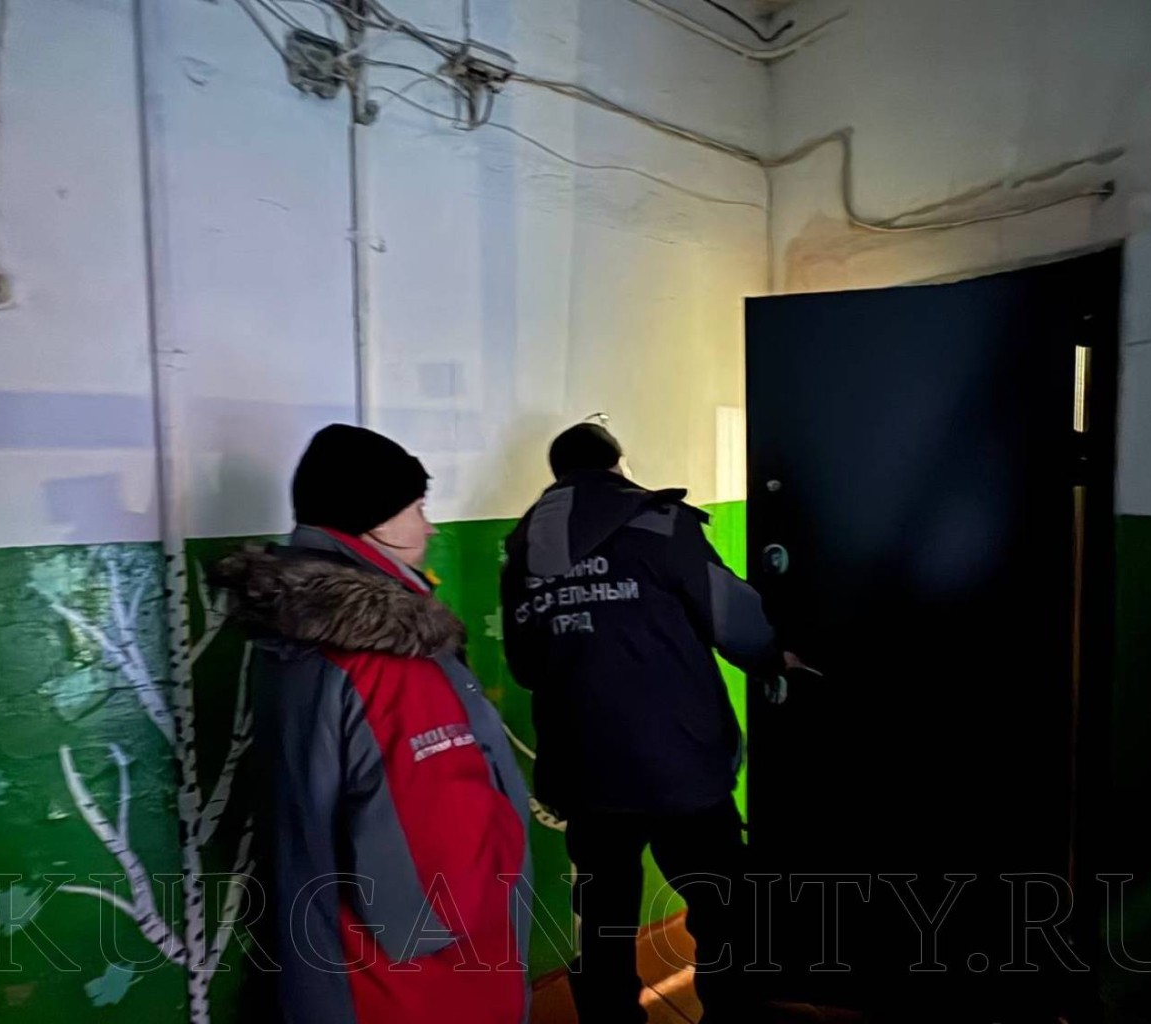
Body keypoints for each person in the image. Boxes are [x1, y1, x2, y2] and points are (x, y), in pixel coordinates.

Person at [217, 424, 531, 1024]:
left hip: (324, 961)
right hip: (415, 991)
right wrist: (505, 838)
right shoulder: (393, 666)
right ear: (375, 522)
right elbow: (437, 891)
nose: (429, 527)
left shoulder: (291, 632)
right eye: (418, 507)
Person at [501, 422, 791, 1024]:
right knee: (722, 903)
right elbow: (730, 617)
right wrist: (770, 658)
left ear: (558, 476)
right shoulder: (659, 522)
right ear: (617, 464)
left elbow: (526, 666)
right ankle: (735, 1015)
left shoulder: (524, 546)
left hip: (584, 769)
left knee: (604, 914)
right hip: (680, 759)